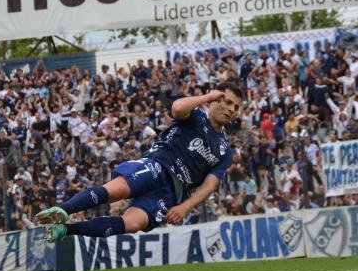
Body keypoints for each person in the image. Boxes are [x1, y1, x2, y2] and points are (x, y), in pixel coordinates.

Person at [35, 82, 243, 241]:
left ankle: (65, 230)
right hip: (157, 165)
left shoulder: (225, 149)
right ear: (216, 99)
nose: (232, 109)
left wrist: (186, 207)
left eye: (236, 106)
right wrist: (207, 96)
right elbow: (177, 108)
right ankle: (63, 211)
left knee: (133, 224)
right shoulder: (196, 115)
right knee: (116, 192)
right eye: (228, 102)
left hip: (172, 193)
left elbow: (211, 184)